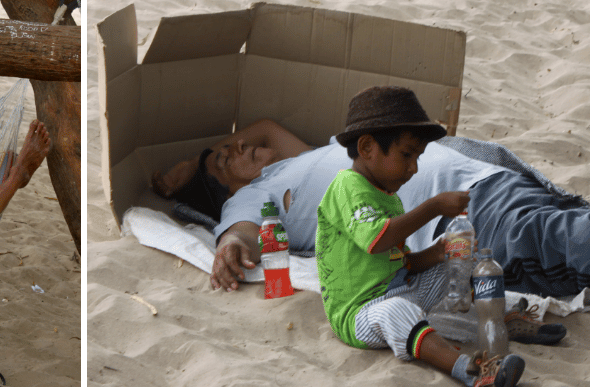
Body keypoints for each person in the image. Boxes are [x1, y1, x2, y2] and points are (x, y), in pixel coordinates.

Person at [153, 118, 589, 299]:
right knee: (555, 240)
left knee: (559, 233)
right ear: (225, 190)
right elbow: (241, 230)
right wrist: (227, 238)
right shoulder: (252, 197)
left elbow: (265, 125)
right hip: (458, 223)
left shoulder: (299, 159)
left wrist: (203, 157)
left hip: (485, 183)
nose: (242, 145)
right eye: (228, 159)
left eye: (234, 143)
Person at [315, 86, 525, 387]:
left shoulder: (388, 197)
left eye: (417, 158)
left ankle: (504, 318)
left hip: (402, 287)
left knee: (470, 259)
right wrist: (433, 206)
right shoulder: (347, 186)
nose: (414, 168)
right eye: (406, 155)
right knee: (398, 312)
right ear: (367, 147)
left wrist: (439, 253)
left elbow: (402, 262)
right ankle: (472, 371)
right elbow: (378, 241)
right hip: (361, 313)